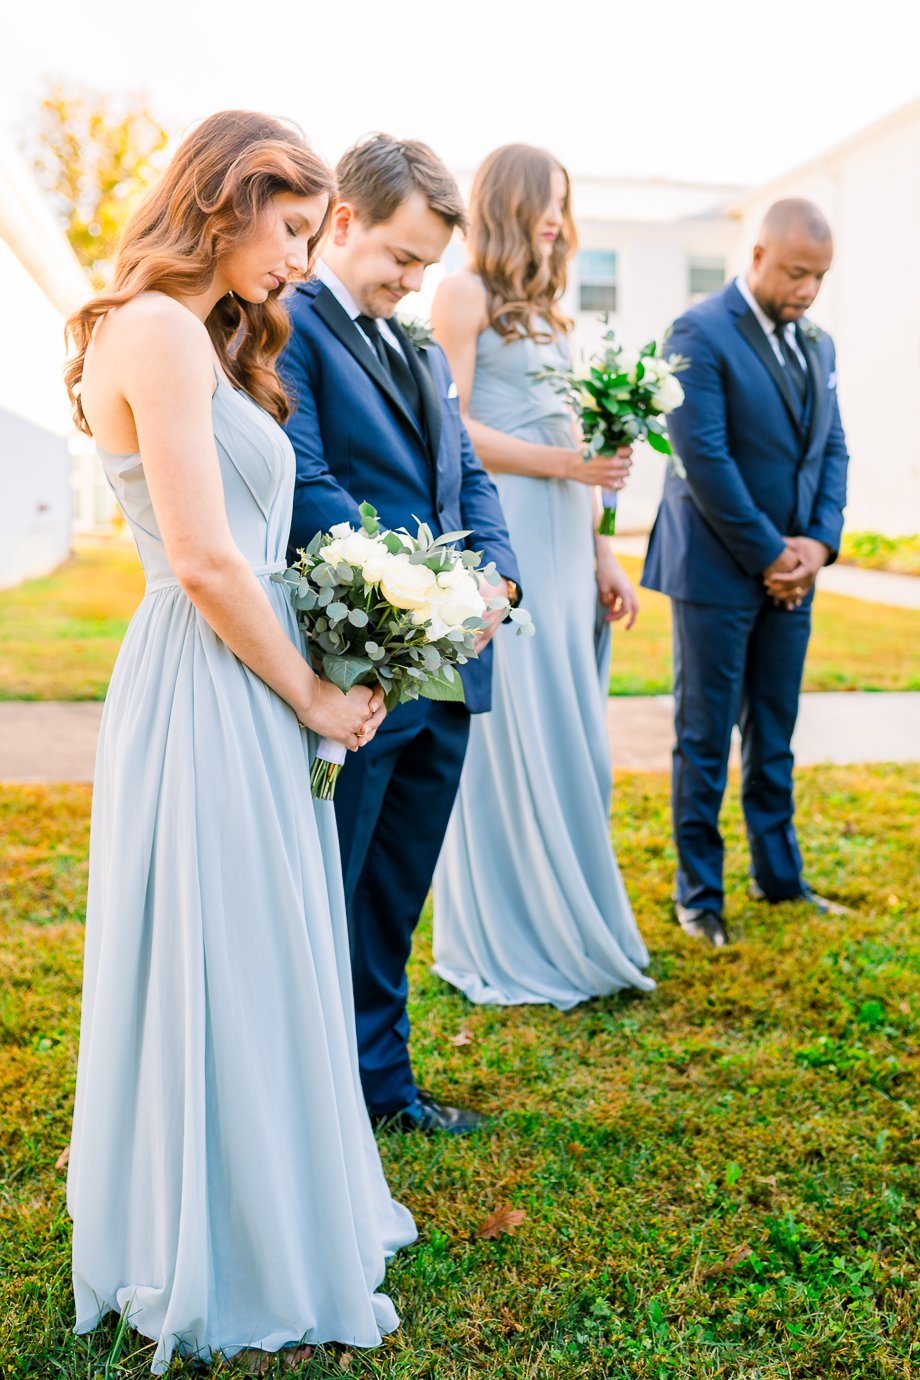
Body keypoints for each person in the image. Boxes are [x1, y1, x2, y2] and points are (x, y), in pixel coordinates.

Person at [63, 110, 415, 1375]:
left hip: (247, 669)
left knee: (263, 938)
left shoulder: (196, 335)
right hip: (213, 677)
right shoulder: (153, 328)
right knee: (222, 938)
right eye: (292, 232)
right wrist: (315, 699)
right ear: (226, 198)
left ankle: (276, 1197)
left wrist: (339, 645)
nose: (300, 265)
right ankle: (225, 1232)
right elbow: (208, 561)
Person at [280, 134, 522, 1134]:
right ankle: (313, 1098)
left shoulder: (417, 342)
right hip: (361, 666)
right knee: (329, 887)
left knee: (392, 890)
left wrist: (497, 579)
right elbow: (307, 484)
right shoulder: (286, 324)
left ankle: (380, 1085)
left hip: (451, 667)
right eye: (400, 258)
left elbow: (462, 470)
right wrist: (432, 599)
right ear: (342, 222)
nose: (414, 281)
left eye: (427, 265)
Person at [428, 144, 654, 1008]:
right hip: (510, 535)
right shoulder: (464, 293)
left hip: (570, 545)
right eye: (543, 199)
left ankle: (573, 913)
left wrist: (604, 553)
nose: (557, 217)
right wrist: (566, 469)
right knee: (514, 730)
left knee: (577, 740)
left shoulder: (555, 316)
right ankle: (516, 932)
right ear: (506, 202)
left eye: (564, 201)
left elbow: (578, 448)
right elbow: (454, 433)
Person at [642, 198, 850, 948]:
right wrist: (772, 556)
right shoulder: (698, 332)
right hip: (714, 573)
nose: (806, 290)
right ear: (757, 254)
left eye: (819, 277)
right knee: (703, 735)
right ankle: (699, 895)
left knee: (777, 729)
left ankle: (780, 877)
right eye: (796, 272)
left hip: (796, 572)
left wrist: (817, 549)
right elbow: (705, 463)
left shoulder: (819, 347)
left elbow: (832, 453)